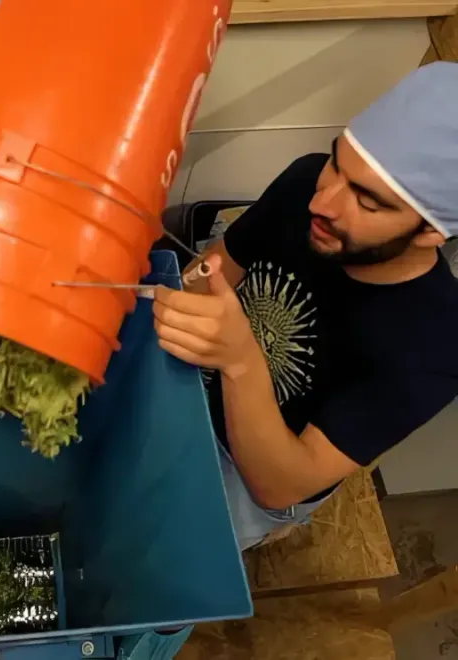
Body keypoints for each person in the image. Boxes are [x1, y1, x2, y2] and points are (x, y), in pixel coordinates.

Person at [153, 62, 458, 550]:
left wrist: (240, 360)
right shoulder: (304, 184)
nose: (325, 203)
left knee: (163, 557)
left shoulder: (435, 343)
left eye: (369, 202)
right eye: (338, 162)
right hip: (192, 385)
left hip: (252, 471)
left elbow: (280, 483)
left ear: (429, 234)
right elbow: (216, 268)